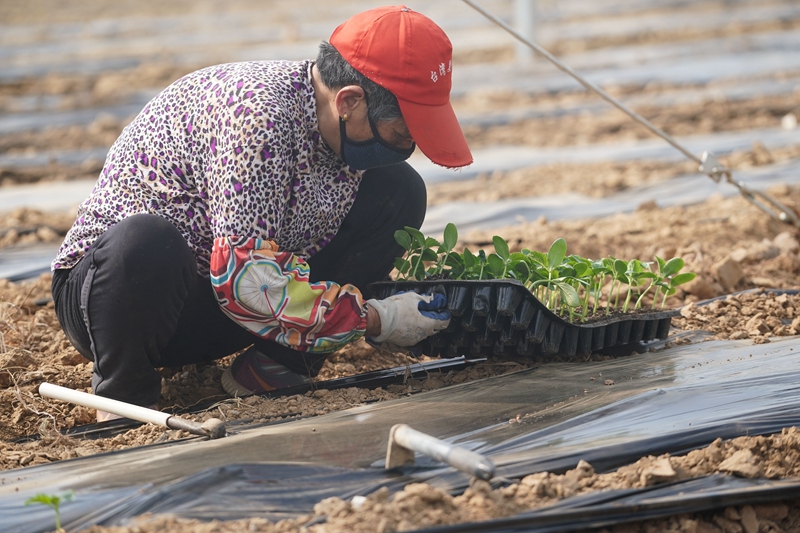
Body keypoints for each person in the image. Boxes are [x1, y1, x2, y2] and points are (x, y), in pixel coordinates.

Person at [50, 5, 472, 421]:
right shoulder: (259, 118)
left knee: (399, 188)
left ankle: (275, 365)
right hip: (117, 305)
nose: (406, 146)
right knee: (147, 243)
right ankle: (126, 394)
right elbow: (244, 279)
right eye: (401, 132)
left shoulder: (334, 121)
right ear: (349, 100)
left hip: (222, 304)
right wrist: (374, 318)